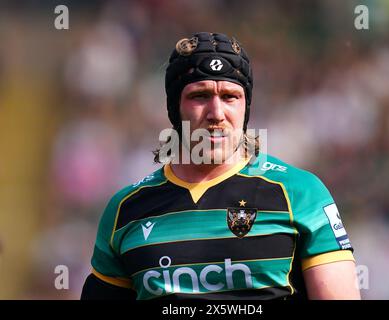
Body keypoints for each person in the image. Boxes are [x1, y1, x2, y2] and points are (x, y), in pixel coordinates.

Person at [81, 32, 360, 300]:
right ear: (174, 109)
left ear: (245, 109)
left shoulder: (302, 194)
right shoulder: (125, 210)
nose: (216, 113)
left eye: (229, 97)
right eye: (200, 96)